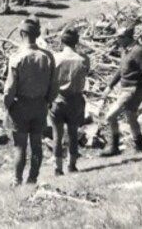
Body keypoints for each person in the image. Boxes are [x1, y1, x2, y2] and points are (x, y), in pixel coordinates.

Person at [3, 18, 55, 186]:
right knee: (36, 143)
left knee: (20, 146)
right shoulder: (47, 57)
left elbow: (10, 88)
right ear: (37, 34)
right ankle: (32, 178)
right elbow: (54, 86)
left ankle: (17, 179)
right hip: (40, 105)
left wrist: (8, 104)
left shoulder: (16, 57)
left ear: (21, 34)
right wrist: (47, 101)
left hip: (20, 105)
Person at [102, 26, 142, 157]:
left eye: (119, 37)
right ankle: (140, 147)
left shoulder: (137, 51)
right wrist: (110, 86)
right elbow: (121, 71)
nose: (117, 40)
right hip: (126, 89)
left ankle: (113, 147)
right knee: (131, 118)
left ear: (127, 38)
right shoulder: (125, 51)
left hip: (133, 90)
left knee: (110, 116)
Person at [49, 28, 89, 174]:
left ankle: (58, 168)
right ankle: (72, 166)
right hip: (76, 100)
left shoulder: (55, 58)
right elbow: (86, 74)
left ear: (61, 41)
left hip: (58, 99)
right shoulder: (83, 59)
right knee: (73, 134)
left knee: (57, 135)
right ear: (76, 42)